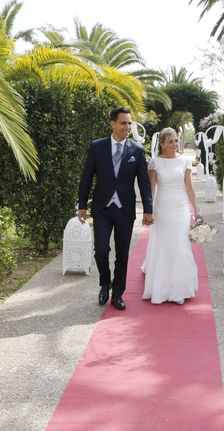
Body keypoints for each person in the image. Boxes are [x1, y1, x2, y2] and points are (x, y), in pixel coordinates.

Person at [77, 107, 153, 310]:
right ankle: (105, 283)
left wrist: (148, 209)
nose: (127, 127)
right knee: (101, 249)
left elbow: (144, 183)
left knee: (122, 253)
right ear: (112, 123)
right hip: (102, 208)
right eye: (123, 123)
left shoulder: (136, 151)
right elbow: (86, 178)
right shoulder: (97, 147)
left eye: (129, 123)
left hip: (125, 209)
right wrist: (82, 204)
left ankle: (118, 293)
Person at [141, 128, 201, 305]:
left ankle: (178, 289)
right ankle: (161, 287)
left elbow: (189, 188)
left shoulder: (185, 162)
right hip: (162, 208)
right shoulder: (155, 163)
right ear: (163, 144)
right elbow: (151, 189)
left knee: (179, 245)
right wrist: (149, 210)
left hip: (181, 209)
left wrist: (195, 210)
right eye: (170, 142)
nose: (174, 145)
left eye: (176, 141)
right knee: (164, 245)